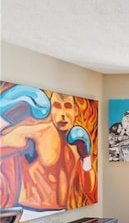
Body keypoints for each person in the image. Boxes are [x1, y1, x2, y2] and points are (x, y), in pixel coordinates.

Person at [0, 86, 96, 214]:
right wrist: (6, 119)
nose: (62, 114)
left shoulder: (77, 142)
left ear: (75, 110)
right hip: (31, 213)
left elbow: (88, 189)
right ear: (51, 109)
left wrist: (86, 157)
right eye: (57, 106)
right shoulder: (34, 134)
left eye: (67, 106)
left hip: (64, 212)